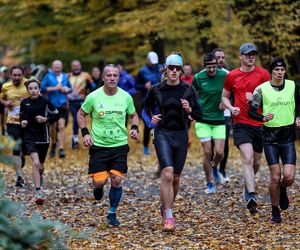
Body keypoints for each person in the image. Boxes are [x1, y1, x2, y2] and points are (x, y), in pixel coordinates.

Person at [144, 53, 202, 231]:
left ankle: (166, 205)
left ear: (182, 70)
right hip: (162, 133)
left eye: (178, 68)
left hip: (181, 134)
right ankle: (168, 215)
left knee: (176, 177)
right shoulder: (156, 89)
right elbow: (145, 109)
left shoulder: (188, 89)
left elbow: (200, 114)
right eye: (171, 68)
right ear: (165, 70)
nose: (175, 71)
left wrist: (189, 108)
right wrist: (150, 120)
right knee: (167, 173)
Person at [77, 64, 139, 227]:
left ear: (118, 78)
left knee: (117, 179)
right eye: (109, 75)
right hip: (99, 146)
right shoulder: (93, 97)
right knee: (100, 182)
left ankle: (112, 212)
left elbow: (134, 115)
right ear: (103, 77)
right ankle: (98, 189)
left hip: (119, 145)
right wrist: (85, 133)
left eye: (115, 76)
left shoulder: (125, 97)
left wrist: (134, 128)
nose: (112, 78)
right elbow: (81, 114)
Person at [248, 57, 300, 223]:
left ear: (285, 71)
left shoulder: (293, 86)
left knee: (289, 176)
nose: (279, 73)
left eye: (282, 70)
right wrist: (262, 117)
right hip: (270, 137)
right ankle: (275, 210)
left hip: (288, 137)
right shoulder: (261, 89)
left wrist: (298, 116)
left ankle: (283, 189)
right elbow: (251, 111)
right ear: (271, 72)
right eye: (276, 70)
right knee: (275, 177)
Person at [222, 42, 270, 214]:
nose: (251, 57)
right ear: (240, 56)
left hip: (259, 123)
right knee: (247, 158)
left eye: (253, 54)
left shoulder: (263, 74)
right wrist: (230, 107)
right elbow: (224, 97)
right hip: (241, 123)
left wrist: (257, 99)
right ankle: (251, 195)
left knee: (256, 161)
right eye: (248, 54)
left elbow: (270, 96)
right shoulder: (232, 76)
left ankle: (248, 184)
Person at [20, 79, 59, 204]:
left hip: (43, 137)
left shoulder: (45, 102)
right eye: (30, 88)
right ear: (27, 90)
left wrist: (45, 119)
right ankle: (38, 191)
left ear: (39, 89)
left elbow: (56, 115)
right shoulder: (24, 103)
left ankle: (40, 176)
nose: (33, 90)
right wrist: (23, 122)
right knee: (35, 163)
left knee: (41, 166)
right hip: (29, 136)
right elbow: (22, 116)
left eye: (35, 88)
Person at [192, 53, 227, 193]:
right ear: (204, 66)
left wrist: (226, 103)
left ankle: (215, 166)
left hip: (219, 120)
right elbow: (191, 95)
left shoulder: (224, 76)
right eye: (209, 67)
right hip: (203, 120)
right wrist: (192, 111)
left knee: (219, 152)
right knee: (207, 152)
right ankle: (209, 182)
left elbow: (232, 92)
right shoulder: (198, 78)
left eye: (214, 66)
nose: (212, 70)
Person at [0, 65, 29, 187]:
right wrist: (6, 103)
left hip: (27, 122)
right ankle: (19, 177)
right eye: (14, 75)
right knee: (16, 148)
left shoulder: (29, 84)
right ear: (11, 75)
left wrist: (27, 101)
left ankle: (23, 153)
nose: (17, 77)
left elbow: (38, 97)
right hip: (12, 121)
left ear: (22, 75)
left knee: (25, 148)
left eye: (19, 75)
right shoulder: (6, 86)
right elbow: (1, 98)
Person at [41, 60, 72, 158]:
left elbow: (70, 88)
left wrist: (66, 89)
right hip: (52, 105)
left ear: (62, 67)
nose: (57, 68)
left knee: (62, 126)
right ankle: (53, 144)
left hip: (62, 105)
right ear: (52, 67)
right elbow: (42, 88)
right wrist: (55, 88)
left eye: (59, 66)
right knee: (53, 127)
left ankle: (61, 148)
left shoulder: (65, 76)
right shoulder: (48, 76)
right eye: (55, 66)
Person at [136, 51, 163, 155]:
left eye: (155, 63)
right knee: (148, 125)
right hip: (147, 101)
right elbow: (136, 85)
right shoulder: (142, 71)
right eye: (152, 63)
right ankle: (146, 146)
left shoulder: (161, 68)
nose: (154, 64)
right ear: (147, 60)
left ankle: (159, 146)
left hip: (160, 101)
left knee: (160, 124)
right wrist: (144, 86)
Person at [212, 48, 230, 183]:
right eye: (218, 57)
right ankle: (213, 169)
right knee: (212, 145)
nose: (221, 60)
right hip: (210, 115)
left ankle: (222, 170)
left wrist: (228, 105)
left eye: (223, 57)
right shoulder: (205, 74)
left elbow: (234, 94)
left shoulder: (229, 75)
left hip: (226, 114)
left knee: (224, 144)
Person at [68, 60, 94, 149]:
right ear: (72, 67)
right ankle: (75, 139)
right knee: (75, 119)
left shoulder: (86, 75)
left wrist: (87, 96)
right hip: (71, 101)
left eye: (77, 66)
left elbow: (92, 87)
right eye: (74, 66)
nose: (76, 67)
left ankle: (89, 138)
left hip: (82, 100)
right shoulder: (68, 76)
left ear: (80, 66)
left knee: (83, 119)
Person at [0, 65, 10, 136]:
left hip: (7, 100)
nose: (5, 73)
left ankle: (5, 130)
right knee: (1, 117)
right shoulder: (0, 81)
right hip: (0, 100)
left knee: (6, 116)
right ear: (1, 73)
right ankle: (3, 129)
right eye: (4, 72)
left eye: (6, 72)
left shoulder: (9, 81)